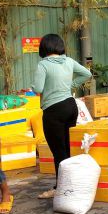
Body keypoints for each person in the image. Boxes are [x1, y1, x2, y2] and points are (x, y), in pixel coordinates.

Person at [31, 33, 92, 199]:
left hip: (53, 110)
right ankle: (72, 185)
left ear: (43, 48)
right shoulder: (69, 61)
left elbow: (38, 88)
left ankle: (62, 189)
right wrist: (71, 84)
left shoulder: (43, 65)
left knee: (59, 152)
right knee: (68, 148)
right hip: (70, 106)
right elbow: (87, 74)